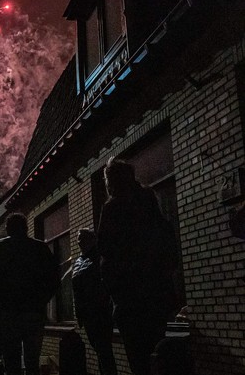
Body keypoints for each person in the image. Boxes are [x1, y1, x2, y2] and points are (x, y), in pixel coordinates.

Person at [97, 158, 178, 375]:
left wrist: (114, 288)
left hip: (130, 300)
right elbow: (167, 242)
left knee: (137, 357)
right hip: (157, 296)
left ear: (111, 181)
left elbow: (105, 249)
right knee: (157, 352)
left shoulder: (113, 208)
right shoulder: (149, 203)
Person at [0, 213, 60, 375]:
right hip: (33, 312)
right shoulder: (40, 248)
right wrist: (41, 300)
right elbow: (54, 280)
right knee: (32, 361)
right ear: (26, 228)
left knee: (11, 362)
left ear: (8, 229)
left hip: (8, 313)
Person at [72, 228, 117, 375]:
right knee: (100, 349)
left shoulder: (99, 258)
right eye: (79, 239)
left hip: (100, 312)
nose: (79, 242)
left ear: (92, 240)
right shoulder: (79, 260)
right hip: (88, 313)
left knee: (103, 349)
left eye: (83, 238)